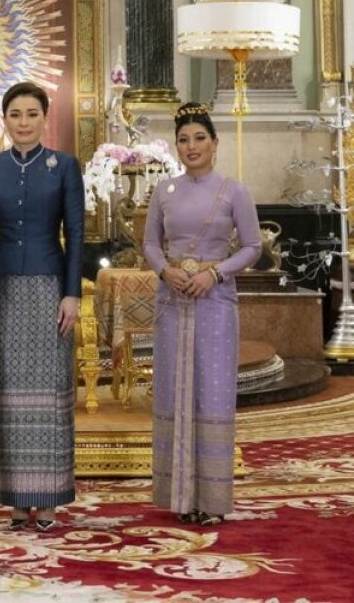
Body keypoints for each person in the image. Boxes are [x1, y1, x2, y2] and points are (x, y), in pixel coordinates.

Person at [0, 80, 84, 531]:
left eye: (31, 114)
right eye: (15, 114)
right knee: (11, 398)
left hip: (51, 289)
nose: (23, 122)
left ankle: (50, 500)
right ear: (5, 119)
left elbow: (75, 233)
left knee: (50, 394)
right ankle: (18, 500)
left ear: (44, 118)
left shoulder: (64, 167)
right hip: (2, 291)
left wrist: (73, 292)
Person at [142, 102, 262, 527]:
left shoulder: (234, 191)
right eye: (183, 139)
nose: (191, 146)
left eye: (199, 138)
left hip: (214, 303)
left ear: (215, 143)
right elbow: (151, 245)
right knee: (175, 391)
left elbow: (253, 246)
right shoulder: (164, 191)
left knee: (210, 392)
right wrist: (166, 271)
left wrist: (215, 274)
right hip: (173, 302)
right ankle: (178, 496)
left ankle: (210, 499)